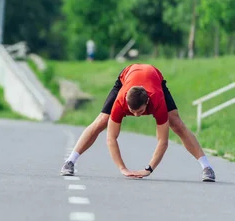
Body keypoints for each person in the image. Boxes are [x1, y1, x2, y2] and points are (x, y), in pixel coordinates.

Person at [60, 63, 216, 182]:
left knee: (176, 123)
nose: (136, 116)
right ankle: (70, 162)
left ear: (147, 103)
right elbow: (111, 138)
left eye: (140, 111)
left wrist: (149, 169)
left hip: (155, 78)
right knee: (102, 121)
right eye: (132, 111)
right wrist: (123, 168)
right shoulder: (121, 101)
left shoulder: (157, 100)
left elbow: (163, 141)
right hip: (126, 77)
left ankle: (207, 167)